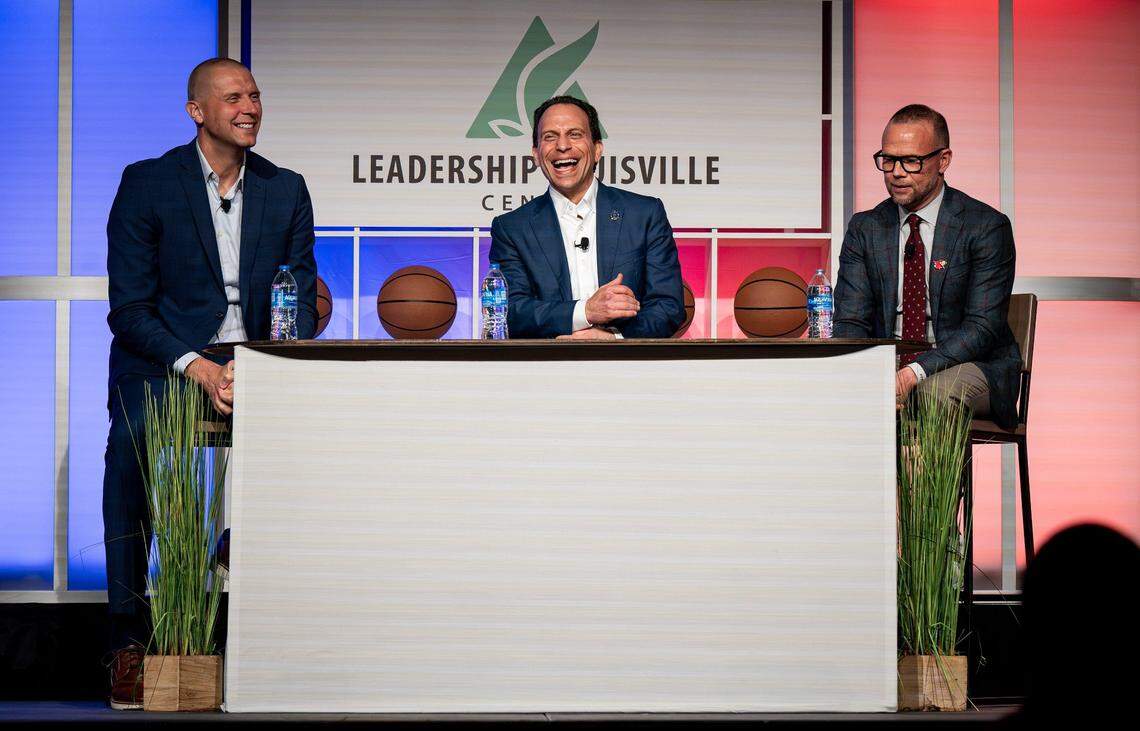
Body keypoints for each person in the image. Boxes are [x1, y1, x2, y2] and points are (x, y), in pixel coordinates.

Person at [102, 57, 317, 709]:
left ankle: (283, 622)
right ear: (197, 111)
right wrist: (199, 366)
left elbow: (301, 298)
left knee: (321, 447)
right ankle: (128, 642)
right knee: (129, 454)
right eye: (233, 97)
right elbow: (130, 311)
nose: (249, 105)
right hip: (171, 360)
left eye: (255, 94)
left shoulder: (286, 188)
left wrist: (260, 363)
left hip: (254, 358)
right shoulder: (148, 183)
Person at [833, 104, 1020, 428]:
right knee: (824, 391)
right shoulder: (866, 228)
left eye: (911, 161)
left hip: (973, 365)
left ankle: (931, 481)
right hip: (886, 366)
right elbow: (850, 320)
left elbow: (982, 328)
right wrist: (862, 375)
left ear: (943, 160)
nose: (897, 172)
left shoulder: (985, 226)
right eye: (888, 160)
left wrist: (912, 373)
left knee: (930, 395)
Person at [489, 96, 684, 339]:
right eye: (550, 137)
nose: (562, 146)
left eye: (574, 134)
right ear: (536, 154)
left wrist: (615, 339)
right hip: (545, 369)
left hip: (629, 367)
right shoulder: (511, 228)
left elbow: (668, 307)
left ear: (597, 149)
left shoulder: (644, 214)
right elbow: (512, 312)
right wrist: (586, 311)